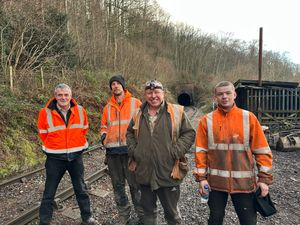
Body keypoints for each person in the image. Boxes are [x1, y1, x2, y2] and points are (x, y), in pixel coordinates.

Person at [194, 81, 273, 225]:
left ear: (234, 95)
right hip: (215, 184)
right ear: (215, 97)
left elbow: (262, 151)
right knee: (215, 219)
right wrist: (201, 178)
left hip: (244, 184)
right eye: (220, 94)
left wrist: (263, 180)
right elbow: (201, 152)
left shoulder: (248, 118)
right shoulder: (206, 121)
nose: (224, 96)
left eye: (228, 93)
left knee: (248, 221)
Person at [126, 80, 195, 225]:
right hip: (144, 172)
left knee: (172, 214)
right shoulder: (138, 113)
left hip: (168, 172)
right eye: (149, 93)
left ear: (163, 93)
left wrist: (175, 152)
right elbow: (129, 134)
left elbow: (189, 133)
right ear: (145, 95)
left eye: (157, 92)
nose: (153, 96)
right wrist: (135, 151)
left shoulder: (176, 111)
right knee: (148, 213)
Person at [37, 83, 98, 225]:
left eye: (66, 95)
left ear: (71, 96)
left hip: (76, 157)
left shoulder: (80, 110)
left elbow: (84, 129)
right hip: (54, 158)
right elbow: (42, 133)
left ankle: (87, 217)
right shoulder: (45, 112)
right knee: (49, 193)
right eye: (60, 95)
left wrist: (74, 145)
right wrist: (56, 145)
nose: (63, 98)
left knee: (81, 189)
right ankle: (44, 221)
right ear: (55, 96)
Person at [100, 74, 143, 224]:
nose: (115, 86)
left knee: (135, 187)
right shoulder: (107, 108)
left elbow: (143, 125)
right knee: (118, 188)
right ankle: (124, 217)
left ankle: (141, 216)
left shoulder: (136, 103)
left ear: (123, 86)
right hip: (112, 154)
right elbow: (104, 126)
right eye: (113, 84)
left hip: (130, 153)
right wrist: (104, 135)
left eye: (118, 84)